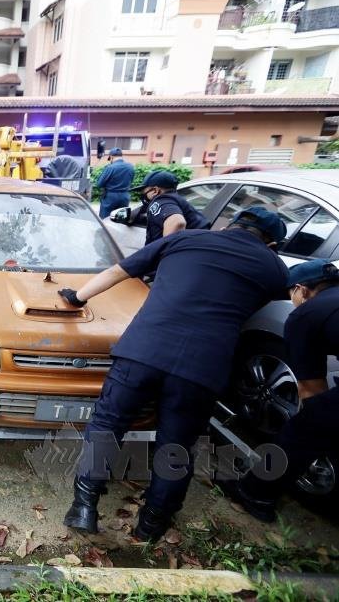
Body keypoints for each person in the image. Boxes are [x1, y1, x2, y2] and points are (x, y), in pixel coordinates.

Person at [59, 207, 288, 542]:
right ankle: (151, 525)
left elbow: (118, 271)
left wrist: (77, 297)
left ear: (229, 225)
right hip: (203, 366)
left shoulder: (184, 239)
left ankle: (84, 507)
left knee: (107, 425)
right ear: (271, 242)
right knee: (176, 445)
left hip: (143, 351)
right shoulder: (274, 268)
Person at [224, 259, 339, 522]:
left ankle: (254, 493)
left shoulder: (305, 314)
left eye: (291, 294)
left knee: (303, 429)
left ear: (301, 289)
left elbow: (311, 388)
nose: (292, 299)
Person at [134, 170, 210, 245]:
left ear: (155, 191)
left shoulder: (161, 200)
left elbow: (177, 222)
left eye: (144, 191)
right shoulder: (176, 199)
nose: (143, 194)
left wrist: (166, 252)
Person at [95, 148, 135, 219]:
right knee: (121, 219)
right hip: (125, 196)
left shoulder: (110, 168)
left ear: (111, 157)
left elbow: (99, 184)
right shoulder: (131, 167)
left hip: (111, 197)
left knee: (105, 219)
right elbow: (131, 181)